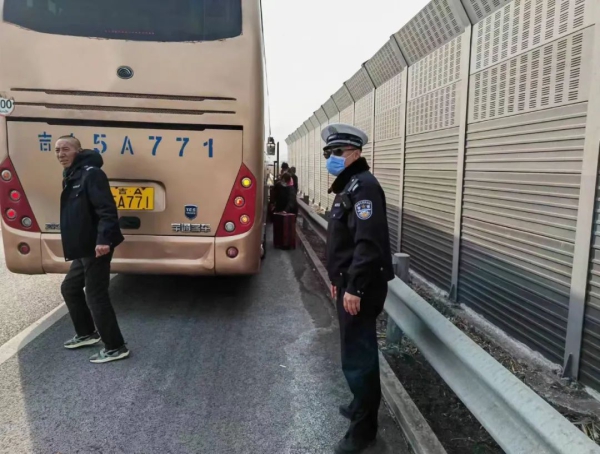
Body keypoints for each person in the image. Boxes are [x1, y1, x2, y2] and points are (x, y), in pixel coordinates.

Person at [321, 124, 394, 453]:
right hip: (349, 284)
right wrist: (339, 280)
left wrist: (355, 288)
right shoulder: (349, 185)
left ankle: (364, 431)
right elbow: (345, 242)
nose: (332, 158)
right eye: (329, 153)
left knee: (359, 357)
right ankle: (358, 405)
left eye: (337, 152)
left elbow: (368, 244)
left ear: (355, 153)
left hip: (361, 288)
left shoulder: (364, 187)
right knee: (353, 350)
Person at [55, 136, 130, 364]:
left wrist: (104, 240)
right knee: (70, 288)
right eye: (57, 150)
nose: (60, 154)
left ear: (78, 151)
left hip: (97, 246)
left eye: (65, 149)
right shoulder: (72, 174)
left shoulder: (92, 174)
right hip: (83, 246)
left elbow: (107, 210)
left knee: (96, 295)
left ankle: (115, 347)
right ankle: (87, 333)